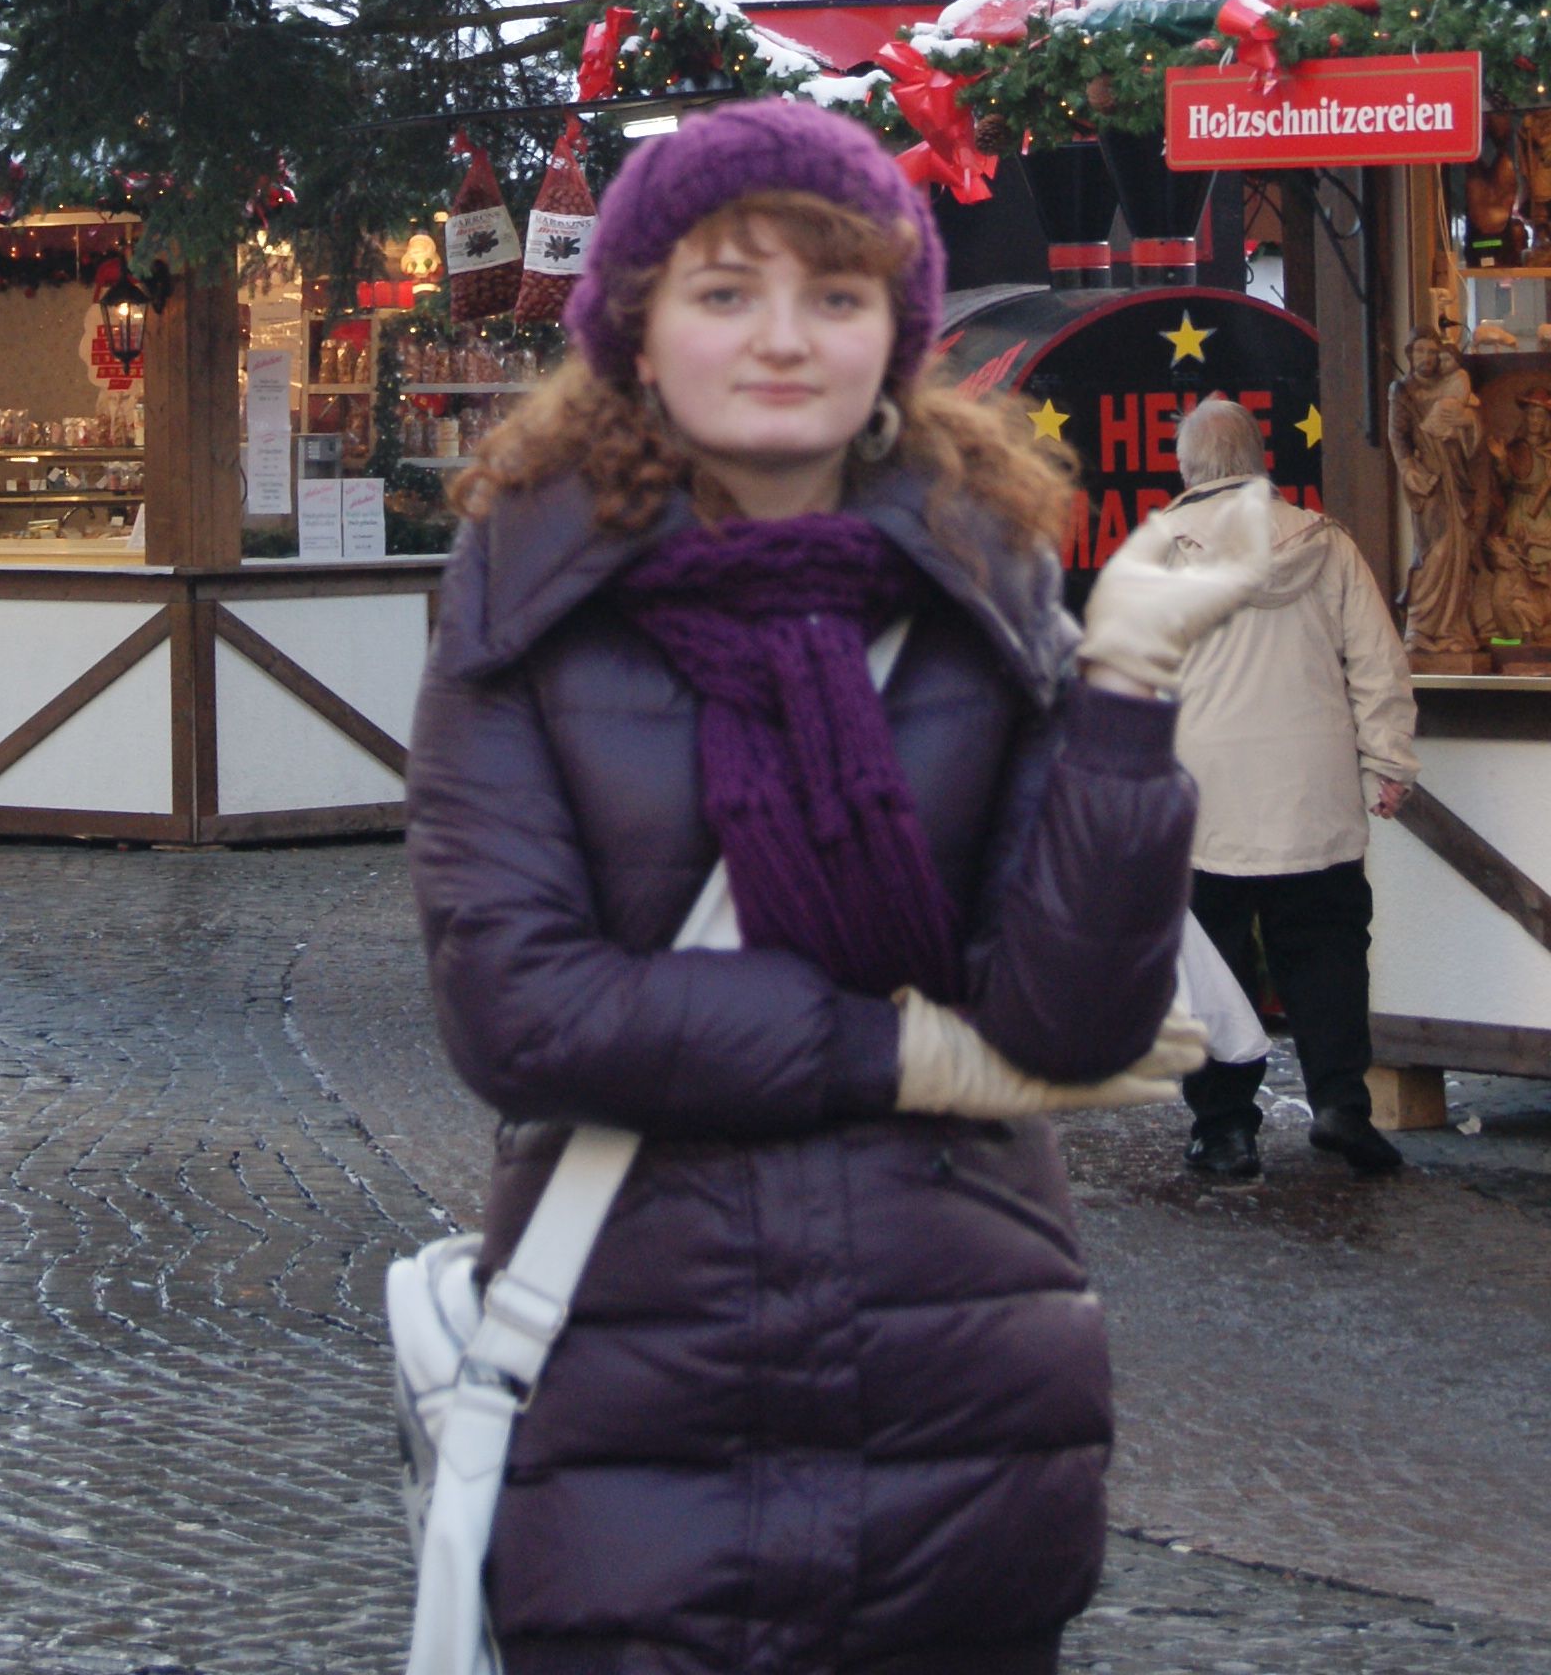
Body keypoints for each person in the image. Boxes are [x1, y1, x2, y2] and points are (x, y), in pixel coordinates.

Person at [406, 97, 1270, 1675]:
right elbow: (519, 1012)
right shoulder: (527, 594)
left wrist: (1126, 694)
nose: (784, 337)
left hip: (968, 1414)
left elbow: (1071, 1022)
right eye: (726, 291)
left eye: (837, 291)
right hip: (636, 1403)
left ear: (898, 328)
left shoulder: (984, 578)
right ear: (636, 322)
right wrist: (895, 1051)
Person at [1159, 394, 1418, 1184]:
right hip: (1314, 788)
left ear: (1189, 466)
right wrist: (1387, 763)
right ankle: (1341, 1106)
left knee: (1214, 965)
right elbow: (1377, 662)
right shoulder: (1326, 544)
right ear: (1258, 459)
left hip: (1206, 795)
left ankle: (1225, 1129)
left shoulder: (1161, 551)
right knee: (1329, 948)